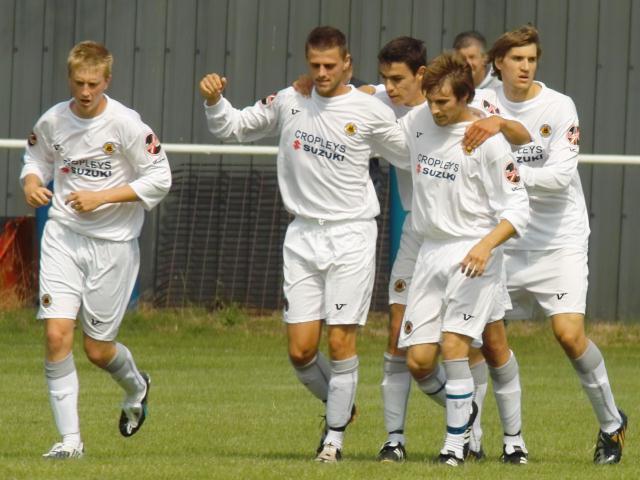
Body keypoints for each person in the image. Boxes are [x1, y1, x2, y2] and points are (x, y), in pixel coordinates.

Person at [199, 26, 408, 463]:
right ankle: (341, 404)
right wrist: (214, 100)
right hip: (302, 235)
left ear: (347, 63)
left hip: (351, 233)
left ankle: (333, 441)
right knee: (300, 352)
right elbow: (234, 127)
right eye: (315, 65)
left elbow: (409, 152)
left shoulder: (368, 109)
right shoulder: (291, 99)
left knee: (341, 341)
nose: (322, 73)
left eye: (331, 65)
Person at [369, 37, 531, 463]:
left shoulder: (485, 138)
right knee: (421, 360)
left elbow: (519, 208)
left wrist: (484, 247)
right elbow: (379, 115)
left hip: (473, 256)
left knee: (462, 345)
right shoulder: (419, 121)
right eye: (431, 100)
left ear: (466, 98)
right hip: (429, 253)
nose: (436, 109)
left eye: (444, 102)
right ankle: (468, 413)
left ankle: (459, 446)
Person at [20, 41, 172, 459]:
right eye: (78, 82)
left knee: (97, 349)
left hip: (113, 246)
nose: (85, 91)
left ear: (107, 80)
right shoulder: (53, 120)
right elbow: (35, 160)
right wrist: (32, 183)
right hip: (64, 238)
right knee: (55, 335)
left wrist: (104, 197)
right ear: (69, 78)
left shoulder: (127, 125)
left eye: (93, 83)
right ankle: (70, 442)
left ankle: (137, 386)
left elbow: (160, 179)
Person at [487, 25, 627, 465]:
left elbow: (559, 178)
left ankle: (611, 425)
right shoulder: (482, 103)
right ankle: (477, 440)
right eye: (517, 59)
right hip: (506, 237)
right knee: (479, 340)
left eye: (531, 59)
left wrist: (504, 172)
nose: (525, 66)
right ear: (499, 63)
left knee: (568, 335)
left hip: (558, 240)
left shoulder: (559, 106)